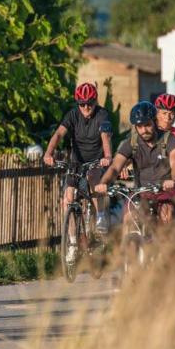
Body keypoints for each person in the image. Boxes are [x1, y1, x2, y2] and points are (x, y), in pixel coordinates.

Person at [43, 83, 114, 263]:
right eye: (82, 104)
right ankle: (73, 243)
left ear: (95, 101)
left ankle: (100, 218)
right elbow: (59, 134)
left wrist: (107, 156)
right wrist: (48, 153)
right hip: (76, 162)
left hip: (96, 161)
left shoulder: (102, 114)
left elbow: (105, 137)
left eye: (89, 103)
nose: (86, 108)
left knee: (93, 180)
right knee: (67, 199)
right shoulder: (73, 115)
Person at [94, 101, 175, 224]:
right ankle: (129, 243)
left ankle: (166, 243)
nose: (144, 130)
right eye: (139, 126)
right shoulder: (132, 142)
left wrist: (173, 180)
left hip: (165, 192)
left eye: (147, 125)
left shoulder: (169, 139)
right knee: (129, 219)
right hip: (141, 193)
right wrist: (103, 183)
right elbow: (115, 167)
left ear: (155, 122)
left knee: (166, 215)